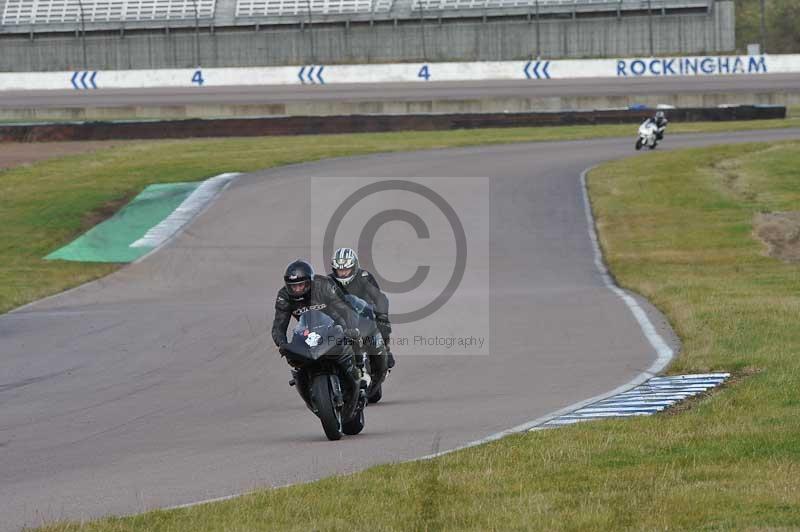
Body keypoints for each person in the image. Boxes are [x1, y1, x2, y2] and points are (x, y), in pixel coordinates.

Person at [271, 259, 368, 388]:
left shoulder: (324, 285)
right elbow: (279, 325)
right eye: (294, 286)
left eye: (301, 285)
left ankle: (359, 370)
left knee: (352, 336)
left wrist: (351, 328)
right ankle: (304, 379)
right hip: (308, 328)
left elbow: (346, 309)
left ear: (310, 282)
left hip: (335, 323)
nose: (297, 289)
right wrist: (282, 344)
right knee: (294, 355)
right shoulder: (284, 296)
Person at [328, 247, 395, 369]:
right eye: (339, 270)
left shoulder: (364, 277)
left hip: (365, 316)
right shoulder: (328, 281)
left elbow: (380, 298)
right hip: (340, 320)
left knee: (382, 325)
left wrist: (382, 316)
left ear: (354, 267)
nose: (343, 273)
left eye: (346, 270)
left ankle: (386, 350)